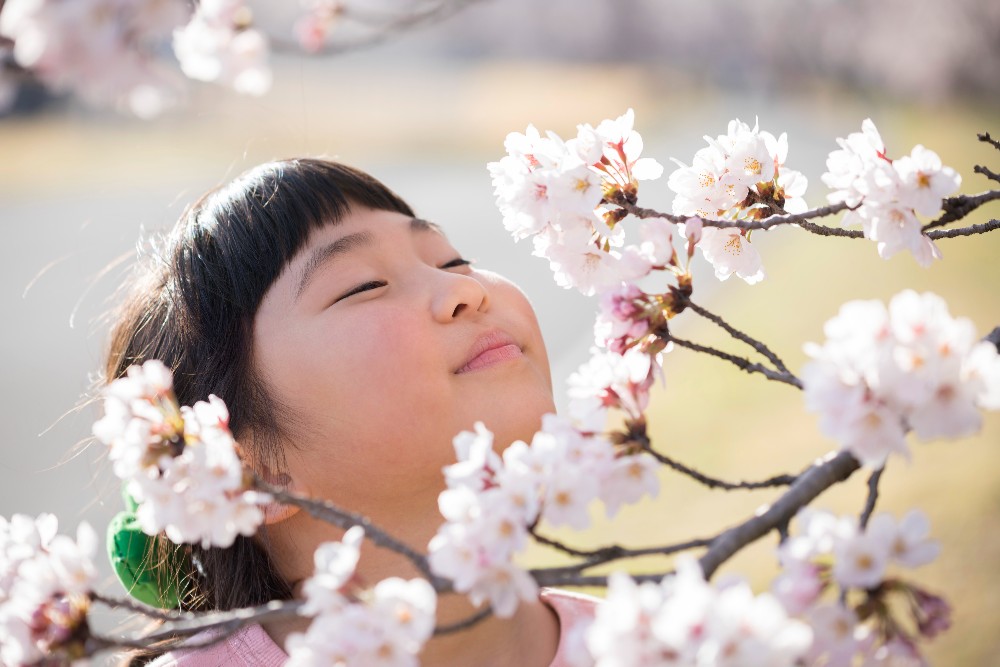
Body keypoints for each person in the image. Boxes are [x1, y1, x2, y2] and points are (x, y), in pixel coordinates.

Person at [102, 158, 597, 666]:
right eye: (365, 286)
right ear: (241, 472)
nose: (465, 290)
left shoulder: (655, 642)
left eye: (451, 261)